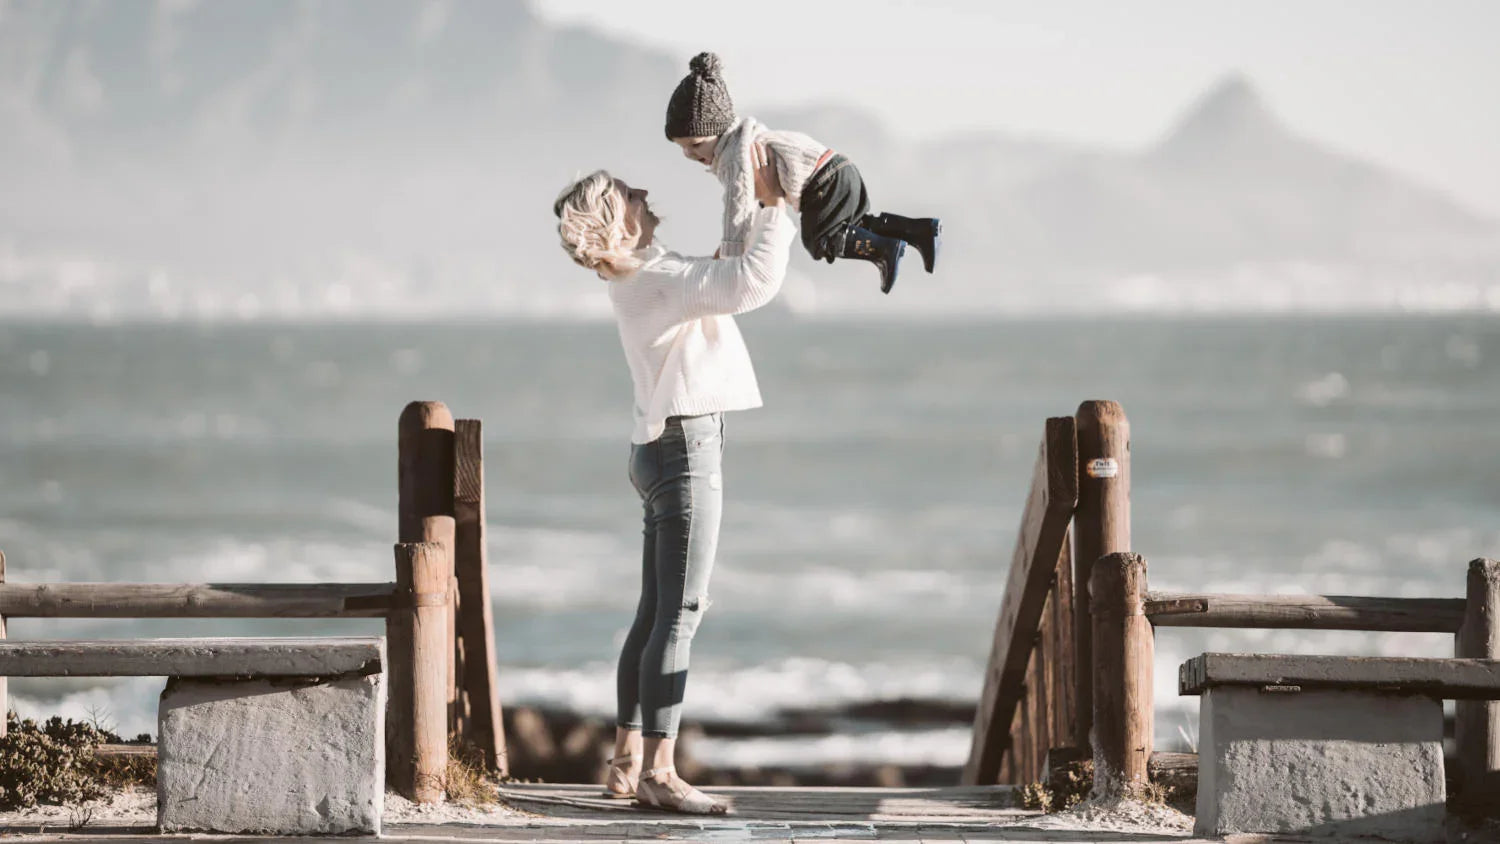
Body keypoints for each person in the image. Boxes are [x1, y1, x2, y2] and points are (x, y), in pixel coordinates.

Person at [551, 143, 794, 815]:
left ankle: (628, 761)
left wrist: (743, 200)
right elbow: (752, 284)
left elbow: (718, 271)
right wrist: (778, 202)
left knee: (655, 613)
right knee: (679, 615)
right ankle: (660, 770)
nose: (645, 196)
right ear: (618, 224)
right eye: (631, 195)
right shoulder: (655, 279)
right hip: (687, 450)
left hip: (656, 450)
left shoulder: (642, 277)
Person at [665, 51, 941, 294]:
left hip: (821, 182)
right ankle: (919, 231)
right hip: (838, 168)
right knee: (854, 226)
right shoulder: (747, 135)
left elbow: (737, 208)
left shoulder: (734, 157)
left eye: (696, 144)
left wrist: (728, 259)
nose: (690, 154)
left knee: (821, 242)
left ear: (721, 129)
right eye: (682, 148)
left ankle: (884, 250)